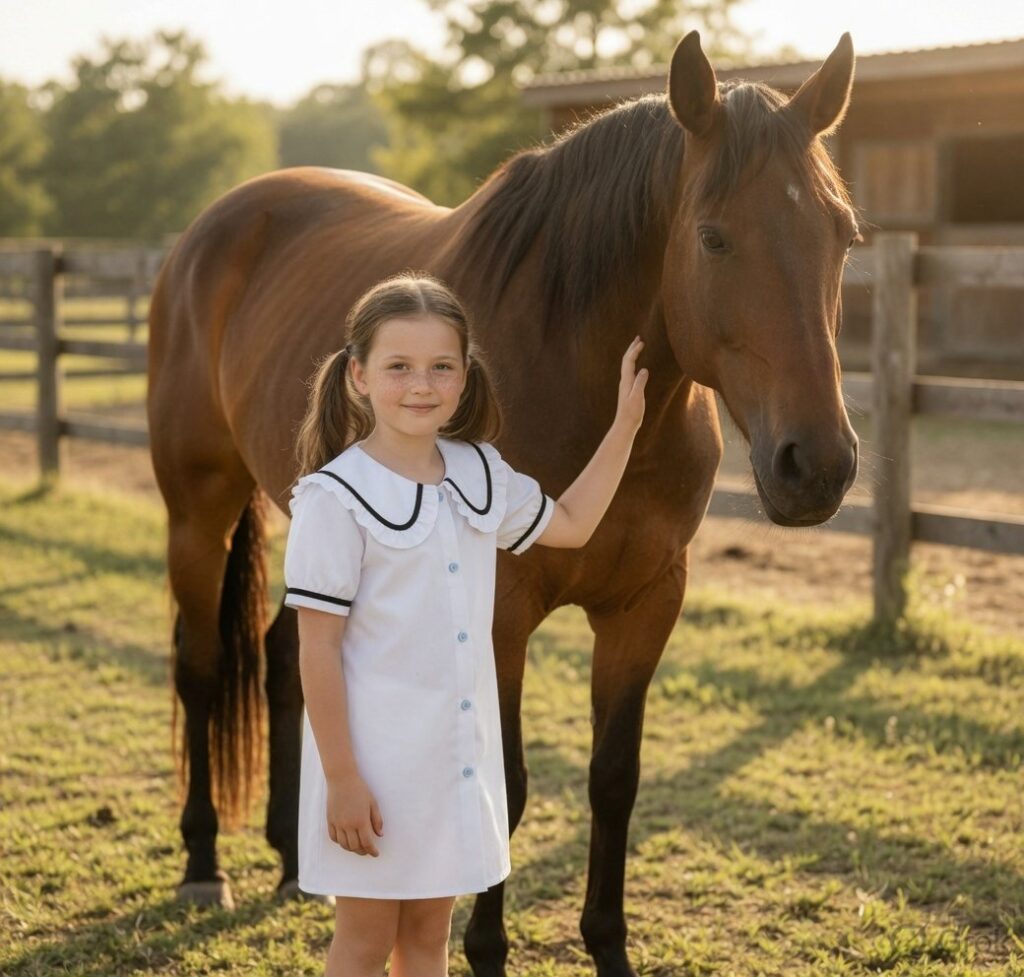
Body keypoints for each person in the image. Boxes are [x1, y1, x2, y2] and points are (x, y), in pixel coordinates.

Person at [283, 271, 647, 977]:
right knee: (364, 940)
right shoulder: (334, 498)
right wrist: (343, 779)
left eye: (441, 367)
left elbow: (573, 523)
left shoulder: (479, 472)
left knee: (428, 938)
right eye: (399, 366)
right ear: (358, 375)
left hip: (453, 760)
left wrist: (625, 425)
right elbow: (317, 649)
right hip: (370, 765)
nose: (422, 385)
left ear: (465, 374)